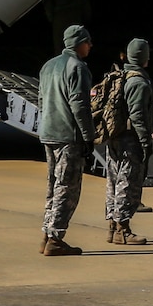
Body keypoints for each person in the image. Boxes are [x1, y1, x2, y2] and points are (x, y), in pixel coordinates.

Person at [37, 23, 96, 257]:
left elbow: (41, 100)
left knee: (53, 185)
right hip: (68, 136)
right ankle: (55, 238)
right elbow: (79, 105)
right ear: (78, 43)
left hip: (48, 133)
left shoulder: (48, 66)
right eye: (88, 41)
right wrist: (88, 136)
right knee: (67, 188)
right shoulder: (78, 68)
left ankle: (46, 233)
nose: (90, 45)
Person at [101, 37, 153, 245]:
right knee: (128, 184)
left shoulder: (120, 76)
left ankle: (112, 226)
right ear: (144, 57)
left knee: (113, 182)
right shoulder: (139, 82)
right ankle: (123, 230)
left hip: (114, 137)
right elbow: (137, 116)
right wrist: (145, 142)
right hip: (130, 140)